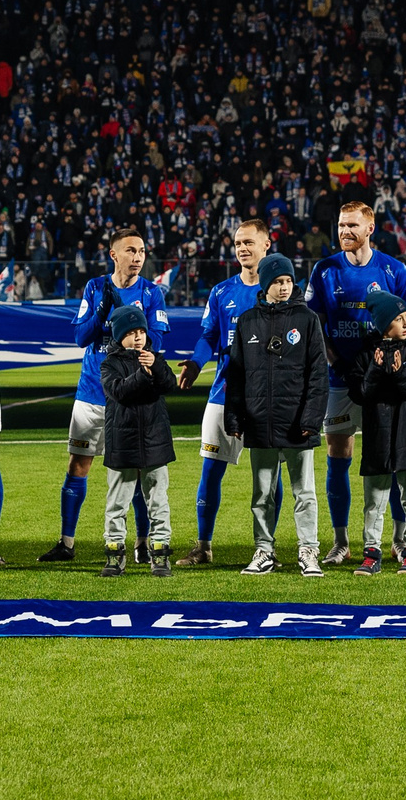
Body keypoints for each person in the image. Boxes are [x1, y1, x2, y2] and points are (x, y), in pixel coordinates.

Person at [45, 230, 169, 562]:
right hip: (92, 393)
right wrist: (102, 311)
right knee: (78, 464)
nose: (138, 256)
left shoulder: (151, 292)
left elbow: (157, 340)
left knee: (137, 469)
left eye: (141, 250)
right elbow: (80, 337)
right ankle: (66, 543)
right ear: (113, 255)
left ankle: (141, 544)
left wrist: (127, 324)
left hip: (131, 396)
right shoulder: (95, 287)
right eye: (130, 250)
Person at [307, 199, 406, 565]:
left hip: (383, 381)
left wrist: (390, 365)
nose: (345, 231)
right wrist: (335, 362)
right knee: (338, 456)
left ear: (370, 228)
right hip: (339, 380)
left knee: (389, 457)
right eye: (341, 225)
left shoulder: (394, 269)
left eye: (352, 225)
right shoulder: (324, 270)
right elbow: (316, 326)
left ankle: (399, 539)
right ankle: (341, 541)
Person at [223, 253, 328, 576]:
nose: (284, 287)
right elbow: (236, 375)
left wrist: (311, 419)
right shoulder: (247, 321)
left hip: (298, 423)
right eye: (278, 281)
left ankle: (308, 550)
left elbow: (318, 374)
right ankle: (264, 550)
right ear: (265, 283)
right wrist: (234, 417)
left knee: (304, 493)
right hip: (260, 421)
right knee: (262, 494)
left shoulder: (307, 319)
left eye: (288, 281)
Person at [180, 220, 269, 565]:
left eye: (249, 242)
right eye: (238, 244)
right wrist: (196, 363)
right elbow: (209, 336)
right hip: (224, 393)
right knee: (211, 470)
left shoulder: (279, 289)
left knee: (267, 477)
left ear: (265, 244)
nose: (242, 249)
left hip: (266, 396)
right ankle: (203, 546)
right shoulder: (221, 292)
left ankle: (266, 548)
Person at [351, 289, 406, 575]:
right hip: (377, 435)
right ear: (383, 323)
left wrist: (402, 374)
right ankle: (371, 553)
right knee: (374, 500)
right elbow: (359, 393)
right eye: (398, 319)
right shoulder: (366, 353)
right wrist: (375, 371)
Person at [96, 303, 178, 577]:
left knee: (158, 501)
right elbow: (119, 392)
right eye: (131, 332)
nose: (138, 337)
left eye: (141, 331)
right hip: (123, 441)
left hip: (155, 440)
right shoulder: (110, 364)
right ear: (119, 336)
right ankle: (114, 553)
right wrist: (144, 374)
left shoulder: (155, 358)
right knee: (117, 502)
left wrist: (156, 367)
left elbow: (170, 385)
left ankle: (160, 552)